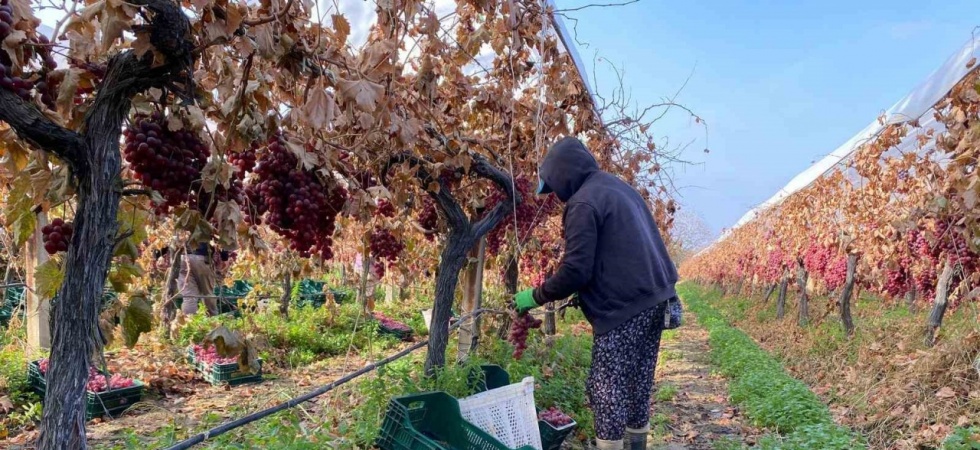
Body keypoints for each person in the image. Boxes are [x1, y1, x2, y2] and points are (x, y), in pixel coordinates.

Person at [514, 137, 678, 450]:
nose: (557, 196)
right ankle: (636, 445)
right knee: (637, 382)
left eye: (554, 187)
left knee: (606, 389)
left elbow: (576, 270)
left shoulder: (583, 203)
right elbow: (616, 252)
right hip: (655, 297)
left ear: (564, 176)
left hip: (625, 306)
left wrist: (534, 296)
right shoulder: (617, 187)